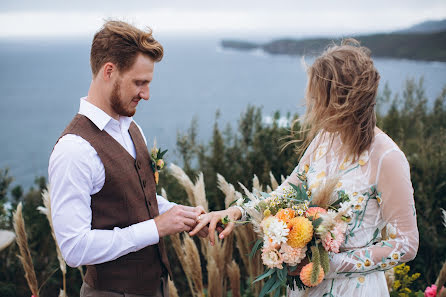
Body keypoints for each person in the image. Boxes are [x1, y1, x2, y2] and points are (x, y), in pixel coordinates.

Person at [191, 39, 419, 296]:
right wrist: (236, 213)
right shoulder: (325, 139)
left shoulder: (388, 158)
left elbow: (406, 244)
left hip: (353, 290)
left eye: (319, 97)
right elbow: (287, 192)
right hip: (306, 288)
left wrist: (327, 264)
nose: (312, 105)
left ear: (342, 100)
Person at [49, 20, 207, 297]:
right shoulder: (74, 149)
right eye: (139, 83)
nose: (146, 95)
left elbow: (136, 198)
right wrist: (156, 228)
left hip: (155, 287)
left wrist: (183, 215)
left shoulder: (131, 128)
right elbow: (74, 249)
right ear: (109, 71)